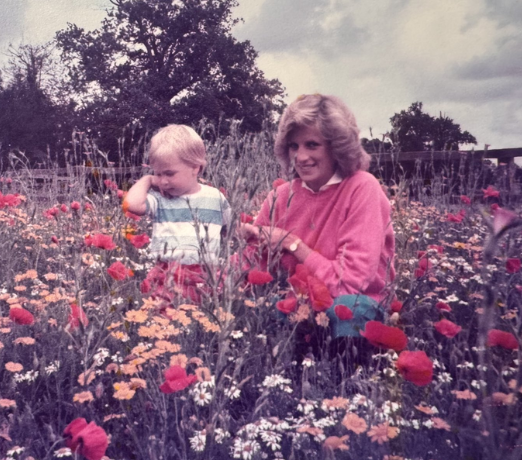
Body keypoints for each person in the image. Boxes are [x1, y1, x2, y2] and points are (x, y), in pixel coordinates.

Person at [242, 94, 395, 362]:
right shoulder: (280, 196)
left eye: (312, 145)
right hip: (297, 306)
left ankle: (348, 382)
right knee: (253, 311)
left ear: (337, 147)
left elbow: (349, 283)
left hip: (352, 308)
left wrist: (291, 243)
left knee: (347, 308)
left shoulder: (362, 188)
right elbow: (252, 265)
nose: (301, 157)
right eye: (294, 146)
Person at [124, 124, 231, 303]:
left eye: (169, 173)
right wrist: (148, 180)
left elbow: (230, 231)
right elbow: (132, 204)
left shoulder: (215, 198)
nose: (163, 182)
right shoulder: (160, 199)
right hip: (165, 275)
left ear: (195, 168)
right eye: (158, 174)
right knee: (163, 318)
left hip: (204, 277)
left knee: (201, 317)